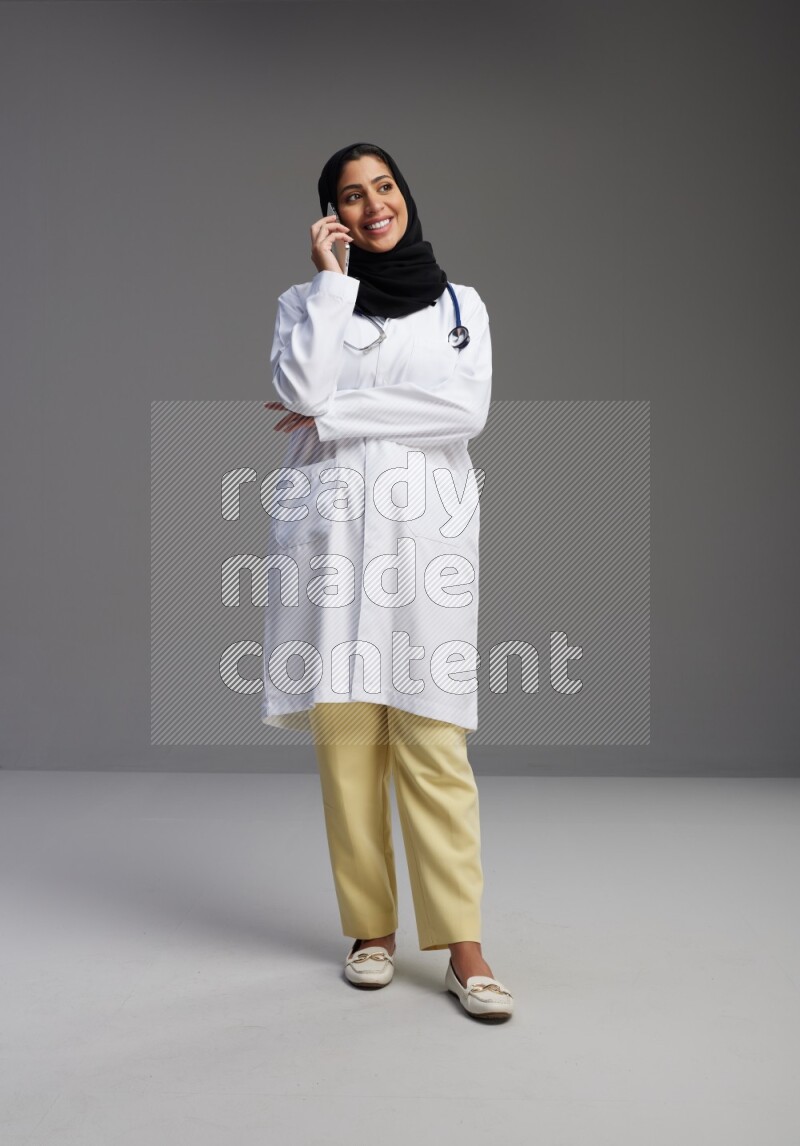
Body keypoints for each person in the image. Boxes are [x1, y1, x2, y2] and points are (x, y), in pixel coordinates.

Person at [262, 142, 514, 1021]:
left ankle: (464, 946)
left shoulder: (460, 306)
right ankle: (371, 931)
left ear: (406, 194)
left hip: (423, 541)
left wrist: (331, 414)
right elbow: (296, 379)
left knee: (435, 740)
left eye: (384, 188)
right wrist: (332, 282)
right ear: (331, 216)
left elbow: (464, 409)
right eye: (350, 197)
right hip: (332, 541)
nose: (373, 207)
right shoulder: (306, 302)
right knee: (348, 745)